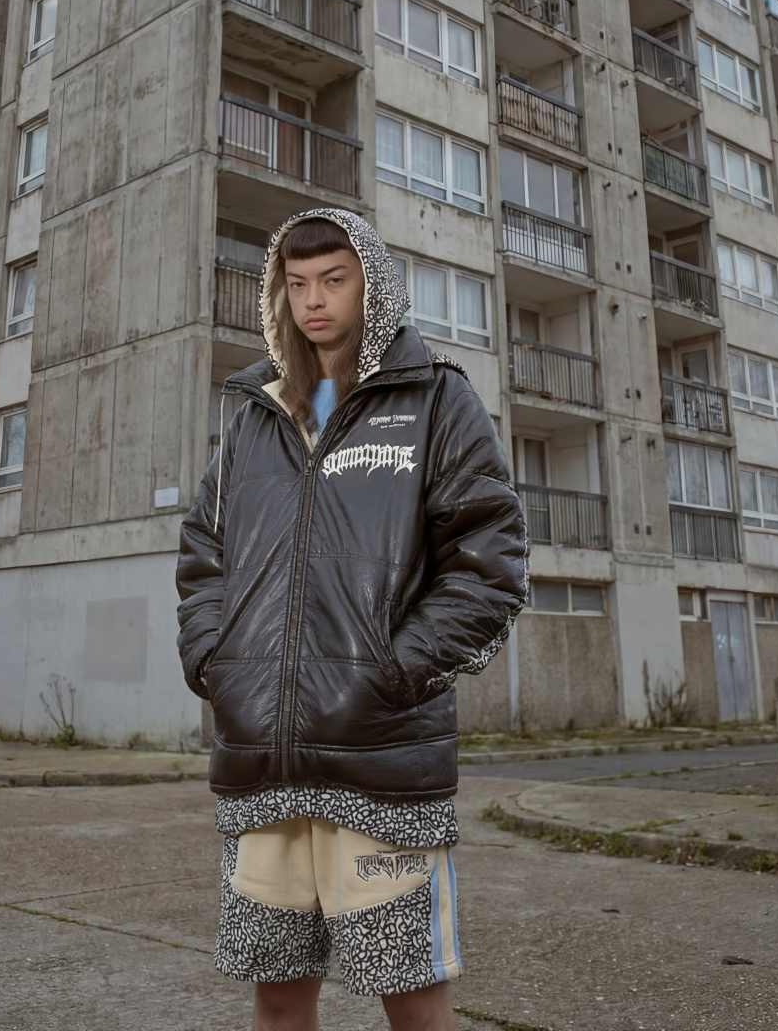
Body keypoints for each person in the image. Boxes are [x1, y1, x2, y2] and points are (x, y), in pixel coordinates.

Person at [177, 208, 529, 1031]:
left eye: (334, 280)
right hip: (261, 769)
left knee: (413, 1002)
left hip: (381, 764)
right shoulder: (254, 414)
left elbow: (490, 562)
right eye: (297, 283)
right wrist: (215, 662)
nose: (314, 301)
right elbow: (203, 554)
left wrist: (393, 673)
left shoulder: (436, 398)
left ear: (373, 285)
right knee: (277, 998)